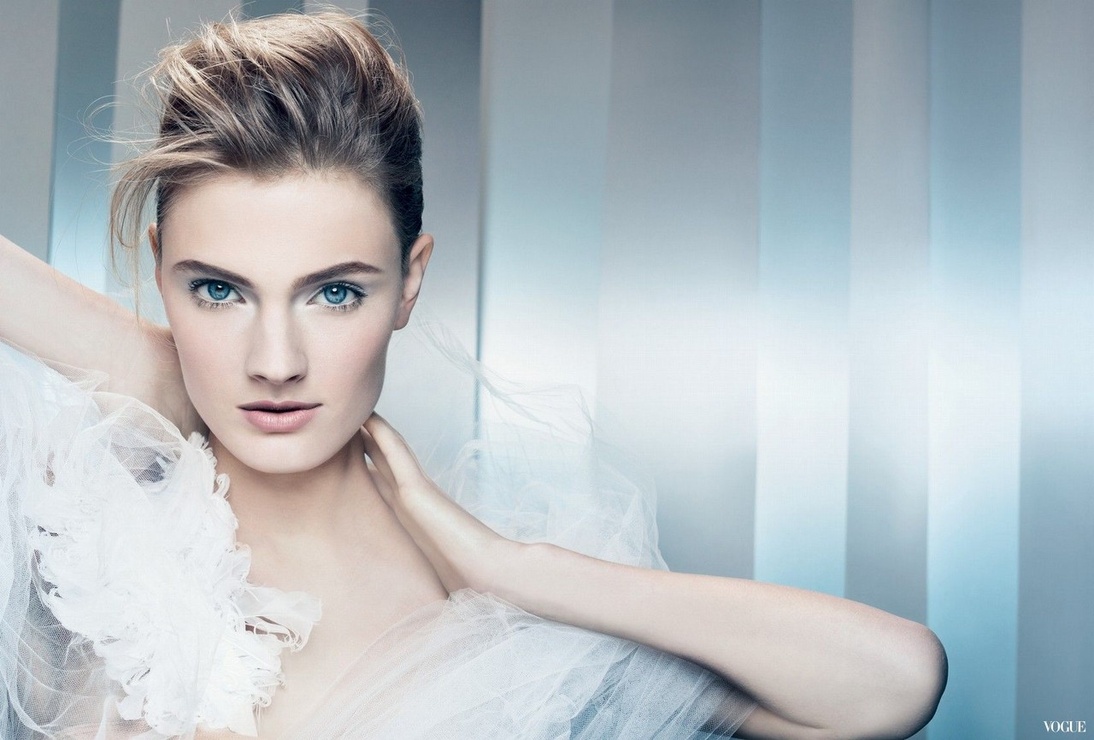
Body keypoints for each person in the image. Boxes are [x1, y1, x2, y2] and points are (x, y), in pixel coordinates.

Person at [0, 10, 946, 739]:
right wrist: (157, 372)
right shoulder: (96, 511)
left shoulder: (501, 621)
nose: (274, 364)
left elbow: (896, 682)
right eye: (219, 290)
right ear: (160, 273)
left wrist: (512, 569)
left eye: (335, 294)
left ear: (410, 283)